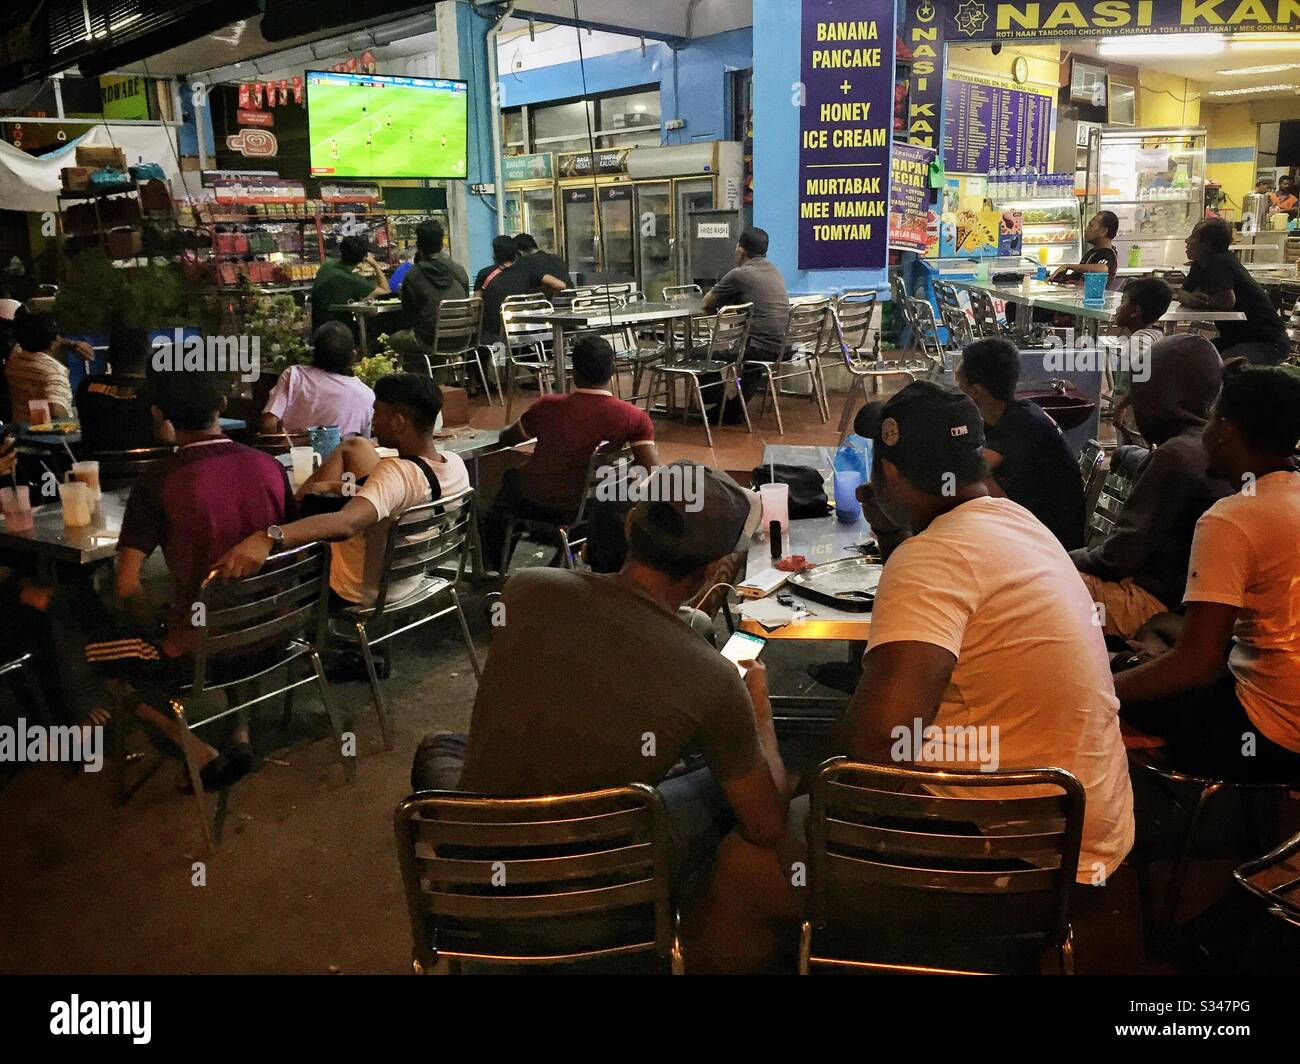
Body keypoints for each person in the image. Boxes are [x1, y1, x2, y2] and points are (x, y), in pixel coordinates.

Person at [689, 382, 1135, 973]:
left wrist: (779, 777)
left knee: (744, 867)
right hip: (1089, 834)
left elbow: (875, 751)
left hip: (1022, 861)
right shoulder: (1022, 525)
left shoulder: (933, 558)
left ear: (889, 475)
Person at [413, 461, 787, 908]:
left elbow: (592, 660)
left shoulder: (526, 590)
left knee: (442, 747)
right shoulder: (715, 678)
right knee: (724, 785)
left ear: (631, 525)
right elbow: (767, 826)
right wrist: (758, 713)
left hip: (474, 869)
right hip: (590, 892)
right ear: (712, 569)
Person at [99, 371, 297, 789]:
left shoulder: (157, 482)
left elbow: (127, 584)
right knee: (230, 604)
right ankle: (239, 732)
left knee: (95, 645)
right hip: (278, 633)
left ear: (159, 415)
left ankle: (191, 746)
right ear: (221, 408)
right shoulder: (269, 465)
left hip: (207, 651)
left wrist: (156, 627)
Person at [1116, 363, 1300, 781]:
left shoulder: (1231, 519)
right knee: (1159, 635)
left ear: (1226, 430)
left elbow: (1195, 664)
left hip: (1269, 732)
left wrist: (1103, 690)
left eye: (1212, 416)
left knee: (1102, 684)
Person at [217, 374, 470, 611]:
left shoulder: (396, 471)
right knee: (339, 470)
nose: (373, 422)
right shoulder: (455, 464)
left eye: (377, 413)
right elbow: (404, 498)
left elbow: (346, 524)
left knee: (305, 518)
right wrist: (342, 487)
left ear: (398, 422)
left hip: (357, 591)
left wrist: (268, 537)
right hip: (409, 579)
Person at [1071, 335, 1231, 639]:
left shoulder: (1174, 455)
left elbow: (1116, 559)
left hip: (1154, 602)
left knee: (1033, 582)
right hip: (1189, 603)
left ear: (1160, 397)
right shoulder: (1205, 444)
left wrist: (1062, 556)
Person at [483, 336, 658, 569]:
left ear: (574, 373)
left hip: (538, 500)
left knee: (504, 486)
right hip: (591, 506)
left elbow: (507, 438)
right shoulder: (634, 418)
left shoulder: (547, 406)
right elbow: (653, 471)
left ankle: (493, 569)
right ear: (612, 371)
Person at [956, 337, 1086, 550]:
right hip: (1034, 535)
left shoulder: (1022, 422)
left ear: (976, 391)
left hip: (1051, 548)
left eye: (959, 382)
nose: (956, 389)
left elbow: (970, 472)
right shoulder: (1007, 416)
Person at [1173, 217, 1289, 365]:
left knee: (1222, 365)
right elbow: (1182, 293)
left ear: (1207, 245)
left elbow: (1227, 301)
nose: (1187, 241)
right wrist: (1190, 298)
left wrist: (1202, 301)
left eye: (1194, 236)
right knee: (1192, 358)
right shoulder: (1200, 264)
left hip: (1267, 342)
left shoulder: (1219, 261)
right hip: (1236, 339)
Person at [260, 321, 375, 437]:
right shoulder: (366, 396)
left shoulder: (294, 376)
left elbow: (268, 425)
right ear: (353, 356)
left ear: (313, 353)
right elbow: (363, 444)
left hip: (293, 453)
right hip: (342, 454)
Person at [702, 227, 790, 362]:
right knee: (748, 344)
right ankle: (749, 384)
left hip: (760, 349)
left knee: (701, 355)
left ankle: (719, 385)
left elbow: (707, 302)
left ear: (741, 251)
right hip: (786, 347)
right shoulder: (774, 270)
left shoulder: (739, 274)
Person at [76, 326, 172, 451]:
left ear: (109, 357)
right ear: (149, 357)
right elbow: (169, 439)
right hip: (153, 468)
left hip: (100, 468)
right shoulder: (159, 391)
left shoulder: (87, 387)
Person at [389, 220, 469, 356]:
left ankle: (418, 375)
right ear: (441, 244)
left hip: (429, 341)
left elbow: (408, 317)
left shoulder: (413, 275)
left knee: (394, 340)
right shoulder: (459, 271)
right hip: (464, 338)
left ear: (418, 245)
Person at [1110, 276, 1174, 438]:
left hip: (1135, 425)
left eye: (1123, 303)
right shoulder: (1155, 336)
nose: (1118, 308)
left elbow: (1144, 379)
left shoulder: (1139, 341)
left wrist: (1121, 406)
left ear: (1135, 312)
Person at [6, 309, 93, 421]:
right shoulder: (54, 371)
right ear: (52, 343)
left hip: (20, 428)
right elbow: (56, 410)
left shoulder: (14, 359)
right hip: (49, 435)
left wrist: (69, 344)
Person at [310, 235, 388, 332]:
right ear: (364, 258)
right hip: (340, 332)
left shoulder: (327, 266)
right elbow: (385, 290)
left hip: (319, 329)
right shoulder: (352, 280)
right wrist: (375, 265)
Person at [473, 234, 521, 343]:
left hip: (492, 334)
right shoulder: (524, 273)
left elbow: (475, 305)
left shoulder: (484, 274)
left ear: (495, 254)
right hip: (521, 333)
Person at [1049, 211, 1119, 282]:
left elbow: (1103, 268)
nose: (1086, 229)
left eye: (1090, 225)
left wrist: (1068, 266)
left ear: (1103, 231)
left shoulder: (1108, 254)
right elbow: (1078, 277)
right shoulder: (1092, 252)